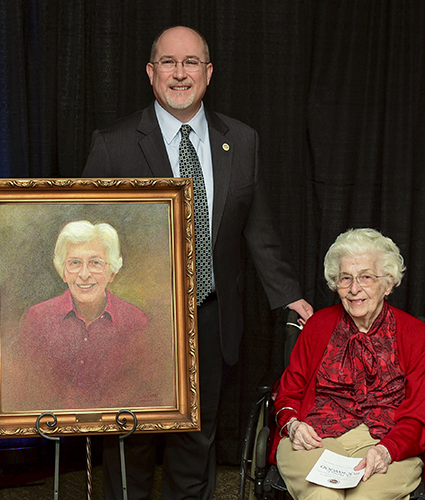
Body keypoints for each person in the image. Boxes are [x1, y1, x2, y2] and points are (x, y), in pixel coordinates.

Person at [82, 25, 313, 499]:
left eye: (191, 63)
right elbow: (86, 235)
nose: (180, 73)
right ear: (151, 73)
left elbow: (258, 226)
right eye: (169, 62)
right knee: (130, 443)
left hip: (210, 318)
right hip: (135, 322)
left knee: (196, 443)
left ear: (208, 73)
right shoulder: (114, 143)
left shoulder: (241, 140)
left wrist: (288, 294)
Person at [273, 228, 425, 500]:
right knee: (324, 496)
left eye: (366, 277)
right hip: (316, 439)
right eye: (346, 278)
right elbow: (288, 393)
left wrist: (387, 449)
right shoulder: (318, 325)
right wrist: (293, 425)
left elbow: (418, 413)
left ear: (388, 283)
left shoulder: (415, 335)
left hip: (386, 443)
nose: (355, 289)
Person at [10, 220, 166, 411]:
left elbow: (147, 398)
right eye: (74, 263)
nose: (84, 274)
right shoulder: (37, 319)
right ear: (63, 271)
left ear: (112, 272)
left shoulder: (136, 322)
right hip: (53, 435)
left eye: (95, 263)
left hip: (115, 435)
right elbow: (25, 396)